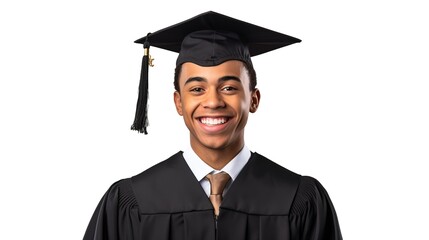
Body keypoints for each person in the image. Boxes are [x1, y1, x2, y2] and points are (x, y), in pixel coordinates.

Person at [83, 11, 343, 240]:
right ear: (178, 103)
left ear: (253, 99)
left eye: (229, 87)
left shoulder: (300, 200)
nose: (213, 101)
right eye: (197, 89)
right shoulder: (132, 203)